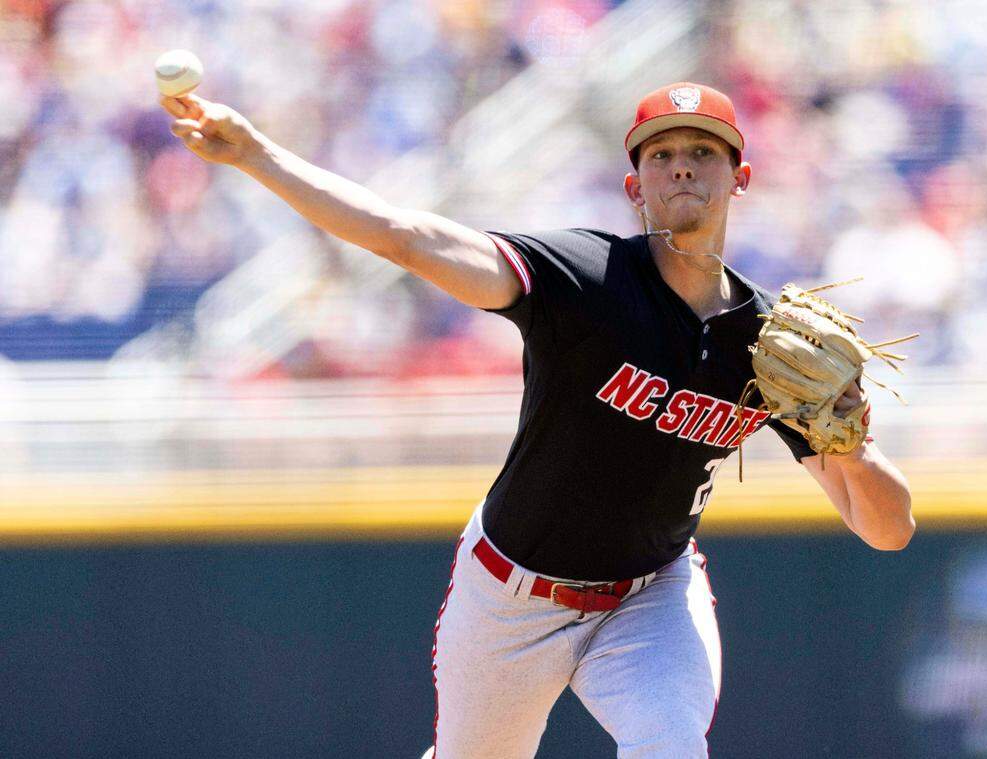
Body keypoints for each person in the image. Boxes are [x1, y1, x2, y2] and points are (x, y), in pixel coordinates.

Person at [160, 81, 914, 758]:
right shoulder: (585, 281)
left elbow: (886, 526)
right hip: (512, 595)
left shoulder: (765, 344)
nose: (682, 166)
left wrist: (852, 444)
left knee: (671, 744)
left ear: (739, 177)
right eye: (662, 154)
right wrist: (257, 154)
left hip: (649, 594)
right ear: (635, 185)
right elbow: (407, 239)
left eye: (704, 151)